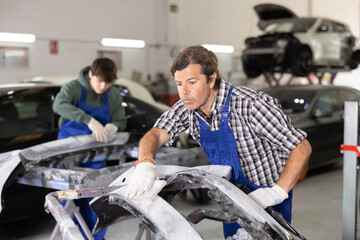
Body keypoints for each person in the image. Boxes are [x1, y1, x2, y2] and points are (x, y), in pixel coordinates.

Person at [125, 46, 311, 240]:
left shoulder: (250, 105)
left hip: (269, 200)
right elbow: (155, 134)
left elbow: (301, 147)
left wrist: (276, 192)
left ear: (211, 79)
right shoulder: (188, 108)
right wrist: (145, 163)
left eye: (192, 82)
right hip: (231, 198)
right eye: (179, 84)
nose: (184, 92)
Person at [53, 57, 126, 240]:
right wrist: (88, 120)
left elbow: (120, 119)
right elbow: (59, 105)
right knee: (70, 200)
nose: (103, 86)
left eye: (107, 83)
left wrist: (113, 126)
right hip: (68, 154)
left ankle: (95, 238)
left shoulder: (113, 94)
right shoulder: (73, 88)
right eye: (99, 81)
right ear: (91, 74)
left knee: (96, 200)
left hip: (96, 154)